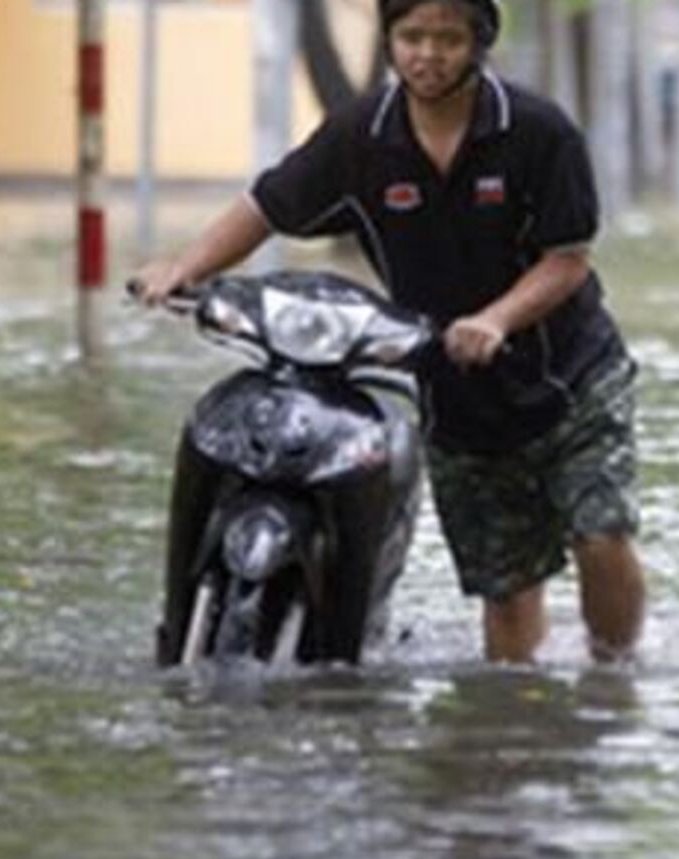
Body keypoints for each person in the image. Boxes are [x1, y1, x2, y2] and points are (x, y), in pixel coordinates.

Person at [131, 0, 646, 666]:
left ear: (479, 42)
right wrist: (183, 267)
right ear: (390, 40)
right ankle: (519, 729)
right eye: (411, 37)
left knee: (599, 535)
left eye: (447, 39)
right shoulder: (361, 137)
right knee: (507, 590)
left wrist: (495, 319)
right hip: (456, 394)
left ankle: (614, 679)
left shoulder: (538, 133)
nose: (427, 54)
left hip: (569, 379)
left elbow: (568, 261)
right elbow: (267, 205)